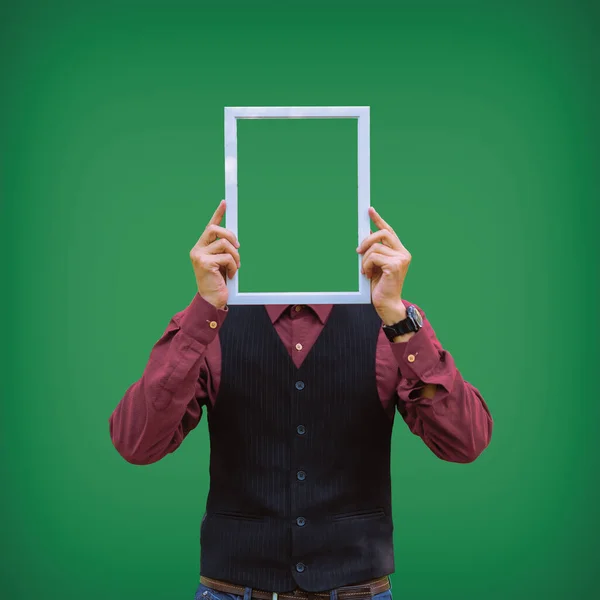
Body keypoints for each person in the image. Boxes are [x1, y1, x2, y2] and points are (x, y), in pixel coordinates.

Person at [109, 200, 493, 600]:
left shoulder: (392, 324)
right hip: (231, 589)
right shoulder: (207, 324)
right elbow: (136, 443)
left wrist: (397, 316)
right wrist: (203, 309)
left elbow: (465, 441)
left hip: (356, 589)